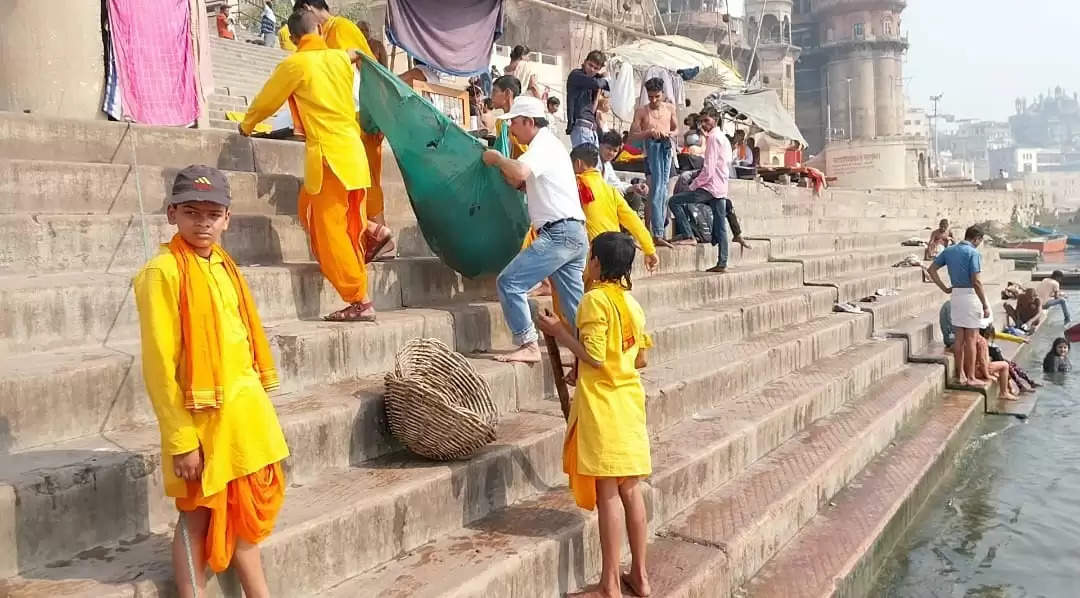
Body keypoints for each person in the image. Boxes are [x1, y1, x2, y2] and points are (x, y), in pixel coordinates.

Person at [133, 165, 289, 598]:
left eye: (212, 213)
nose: (202, 222)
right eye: (191, 212)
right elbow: (159, 364)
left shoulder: (225, 265)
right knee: (196, 515)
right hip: (199, 420)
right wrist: (181, 438)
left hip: (243, 416)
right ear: (171, 214)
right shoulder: (161, 273)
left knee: (242, 515)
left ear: (227, 218)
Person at [535, 232, 652, 598]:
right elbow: (640, 358)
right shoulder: (631, 305)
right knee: (631, 490)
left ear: (597, 263)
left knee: (608, 495)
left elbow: (597, 357)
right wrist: (582, 360)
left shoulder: (595, 300)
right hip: (630, 403)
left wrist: (558, 331)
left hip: (604, 408)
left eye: (589, 258)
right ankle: (642, 577)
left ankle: (610, 584)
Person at [240, 11, 376, 321]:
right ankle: (374, 232)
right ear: (318, 29)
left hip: (329, 158)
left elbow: (266, 101)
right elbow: (356, 53)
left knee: (328, 231)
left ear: (291, 37)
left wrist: (247, 125)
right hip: (354, 155)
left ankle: (359, 299)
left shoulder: (295, 65)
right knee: (326, 216)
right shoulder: (340, 59)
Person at [482, 96, 589, 363]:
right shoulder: (550, 146)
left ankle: (528, 343)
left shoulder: (542, 145)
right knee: (574, 304)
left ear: (529, 122)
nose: (513, 130)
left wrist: (496, 159)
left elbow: (518, 172)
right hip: (573, 233)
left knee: (510, 282)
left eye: (514, 124)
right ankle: (592, 349)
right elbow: (520, 181)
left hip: (560, 233)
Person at [293, 0, 394, 262]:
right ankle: (376, 238)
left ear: (308, 8)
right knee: (366, 179)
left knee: (365, 180)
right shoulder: (333, 31)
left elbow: (338, 73)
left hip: (359, 115)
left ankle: (379, 239)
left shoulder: (338, 27)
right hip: (357, 116)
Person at [667, 108, 750, 273]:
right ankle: (722, 262)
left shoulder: (713, 138)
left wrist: (694, 184)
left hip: (709, 186)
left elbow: (709, 168)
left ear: (715, 120)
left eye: (707, 121)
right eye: (702, 121)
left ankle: (689, 235)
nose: (704, 124)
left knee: (673, 201)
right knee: (720, 226)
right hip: (720, 187)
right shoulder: (723, 138)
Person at [569, 143, 659, 272]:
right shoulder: (610, 190)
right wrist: (649, 250)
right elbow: (633, 220)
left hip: (594, 254)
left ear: (577, 163)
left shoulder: (576, 184)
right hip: (615, 249)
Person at [926, 225, 990, 386]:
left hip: (956, 296)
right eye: (980, 241)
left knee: (959, 339)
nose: (979, 244)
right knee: (971, 339)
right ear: (976, 239)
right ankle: (970, 377)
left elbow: (931, 269)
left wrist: (944, 288)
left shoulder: (950, 250)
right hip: (970, 296)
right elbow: (976, 281)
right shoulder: (973, 253)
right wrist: (985, 304)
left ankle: (960, 374)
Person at [629, 78, 677, 247]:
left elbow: (676, 129)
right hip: (651, 151)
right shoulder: (642, 111)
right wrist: (649, 132)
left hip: (667, 150)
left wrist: (668, 133)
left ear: (662, 94)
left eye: (657, 96)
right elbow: (632, 137)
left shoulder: (670, 108)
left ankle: (658, 232)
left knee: (663, 192)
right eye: (650, 97)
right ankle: (653, 232)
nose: (654, 100)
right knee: (655, 192)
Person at [565, 50, 610, 148]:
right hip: (580, 126)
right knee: (585, 160)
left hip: (591, 128)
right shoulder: (576, 75)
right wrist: (605, 78)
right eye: (590, 65)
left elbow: (608, 87)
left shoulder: (594, 79)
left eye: (596, 68)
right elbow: (597, 84)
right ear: (585, 62)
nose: (592, 69)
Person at [599, 130, 648, 215]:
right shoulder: (592, 159)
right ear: (600, 145)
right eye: (608, 148)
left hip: (606, 197)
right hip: (594, 199)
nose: (611, 153)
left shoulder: (607, 165)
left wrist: (634, 187)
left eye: (615, 151)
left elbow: (616, 184)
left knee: (634, 197)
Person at [975, 325, 1019, 400]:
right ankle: (1003, 393)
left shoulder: (970, 339)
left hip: (971, 370)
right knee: (1005, 365)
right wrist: (987, 375)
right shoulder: (981, 341)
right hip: (978, 371)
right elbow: (982, 361)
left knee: (1000, 363)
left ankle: (1008, 388)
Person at [491, 75, 528, 159]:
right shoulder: (500, 122)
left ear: (507, 93)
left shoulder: (523, 121)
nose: (491, 96)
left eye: (494, 91)